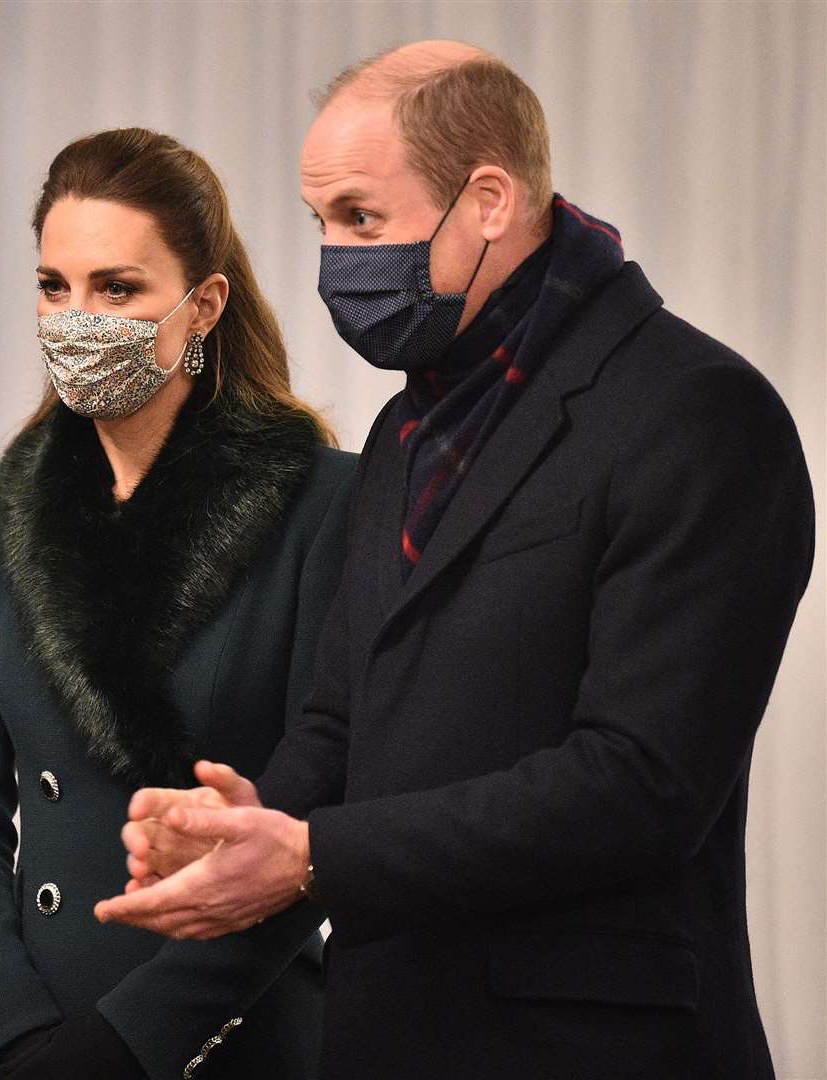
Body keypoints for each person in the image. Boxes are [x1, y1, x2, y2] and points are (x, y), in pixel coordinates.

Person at [96, 42, 815, 1080]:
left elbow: (642, 785)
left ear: (487, 199)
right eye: (322, 224)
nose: (336, 261)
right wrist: (246, 822)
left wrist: (309, 858)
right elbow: (348, 717)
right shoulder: (404, 430)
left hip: (595, 1049)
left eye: (361, 219)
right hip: (387, 1036)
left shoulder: (698, 410)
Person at [0, 128, 357, 1080]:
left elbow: (321, 810)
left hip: (233, 1030)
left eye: (117, 289)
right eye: (53, 286)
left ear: (203, 306)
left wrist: (126, 1044)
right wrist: (7, 1032)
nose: (78, 318)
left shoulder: (324, 504)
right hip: (38, 1034)